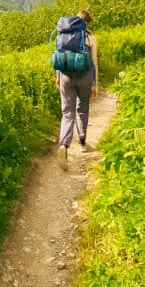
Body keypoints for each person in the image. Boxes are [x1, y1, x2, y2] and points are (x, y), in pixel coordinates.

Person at [56, 10, 98, 169]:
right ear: (88, 23)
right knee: (82, 108)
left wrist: (58, 76)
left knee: (67, 112)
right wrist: (95, 83)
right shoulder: (91, 37)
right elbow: (94, 62)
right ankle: (82, 142)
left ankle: (63, 145)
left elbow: (59, 54)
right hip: (85, 76)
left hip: (65, 74)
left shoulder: (63, 34)